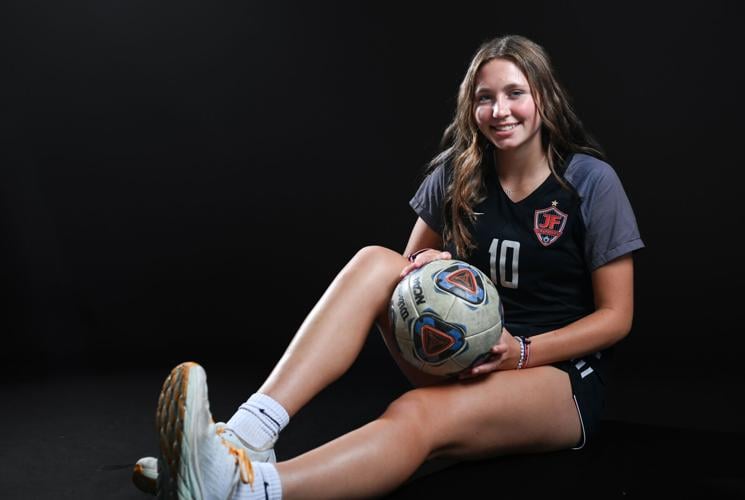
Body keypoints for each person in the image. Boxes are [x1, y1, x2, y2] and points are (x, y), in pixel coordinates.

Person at [133, 34, 644, 499]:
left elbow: (616, 318)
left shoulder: (590, 182)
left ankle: (245, 490)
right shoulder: (458, 173)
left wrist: (522, 352)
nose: (500, 110)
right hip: (461, 353)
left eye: (515, 93)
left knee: (416, 414)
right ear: (472, 107)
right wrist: (426, 264)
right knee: (377, 262)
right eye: (485, 98)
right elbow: (405, 274)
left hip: (552, 378)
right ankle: (245, 437)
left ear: (544, 98)